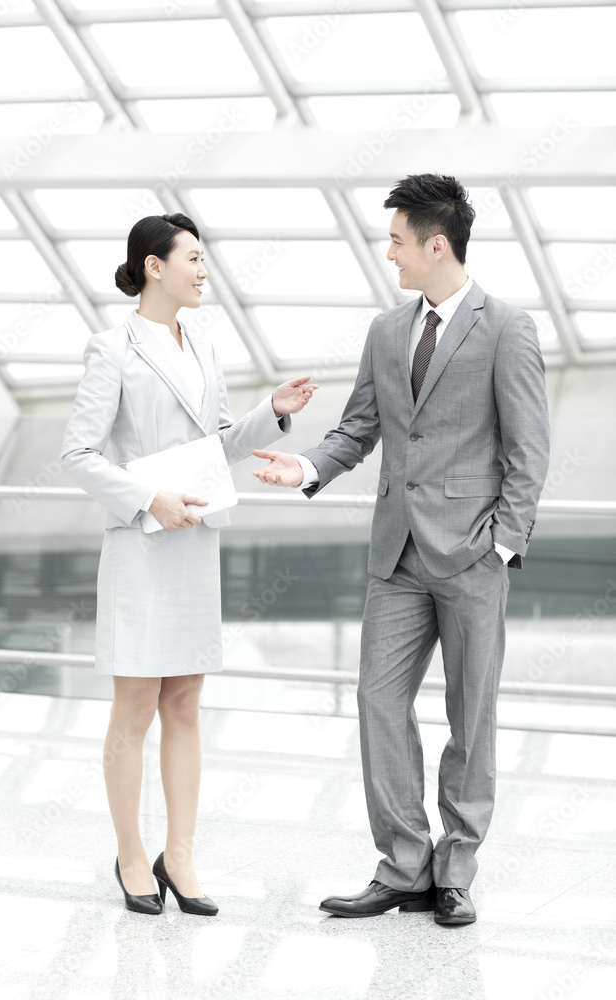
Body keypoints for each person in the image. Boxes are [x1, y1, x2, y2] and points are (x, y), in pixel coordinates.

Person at [252, 174, 550, 926]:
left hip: (472, 555)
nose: (389, 254)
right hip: (396, 556)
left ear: (435, 244)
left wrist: (502, 547)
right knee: (376, 701)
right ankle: (403, 865)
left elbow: (528, 451)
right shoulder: (387, 331)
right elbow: (360, 428)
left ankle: (455, 871)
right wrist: (308, 465)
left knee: (468, 713)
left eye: (395, 240)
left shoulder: (507, 328)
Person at [60, 213, 317, 916]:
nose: (204, 272)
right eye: (194, 259)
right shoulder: (110, 348)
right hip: (144, 546)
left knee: (185, 706)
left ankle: (181, 853)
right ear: (153, 265)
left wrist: (273, 411)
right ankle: (133, 855)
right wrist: (150, 498)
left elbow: (218, 444)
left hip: (196, 541)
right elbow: (78, 455)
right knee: (134, 708)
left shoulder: (203, 340)